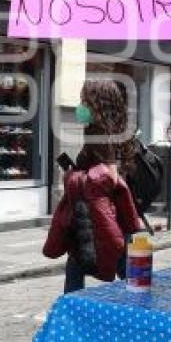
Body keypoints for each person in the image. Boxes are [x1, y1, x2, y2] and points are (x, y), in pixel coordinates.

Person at [43, 80, 142, 293]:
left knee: (89, 258)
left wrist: (75, 176)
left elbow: (110, 176)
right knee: (109, 259)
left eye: (84, 101)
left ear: (97, 104)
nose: (80, 106)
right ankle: (139, 303)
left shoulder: (99, 132)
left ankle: (72, 307)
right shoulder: (117, 129)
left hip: (99, 212)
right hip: (114, 209)